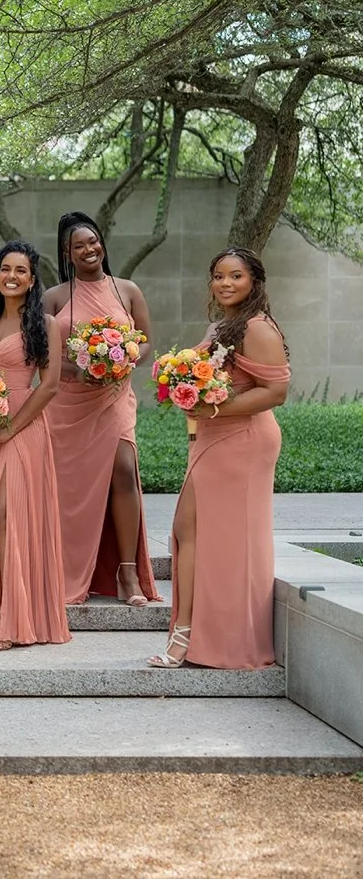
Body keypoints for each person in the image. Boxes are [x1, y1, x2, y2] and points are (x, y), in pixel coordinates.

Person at [151, 247, 290, 671]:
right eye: (218, 276)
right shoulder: (222, 325)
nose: (225, 283)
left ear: (255, 282)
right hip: (212, 436)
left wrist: (213, 408)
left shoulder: (258, 327)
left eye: (236, 276)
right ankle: (189, 634)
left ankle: (226, 642)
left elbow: (276, 392)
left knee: (233, 541)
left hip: (243, 440)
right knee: (187, 529)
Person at [43, 212, 159, 607]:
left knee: (124, 471)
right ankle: (68, 568)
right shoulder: (55, 297)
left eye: (93, 242)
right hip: (69, 406)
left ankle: (127, 572)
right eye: (79, 246)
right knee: (71, 489)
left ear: (102, 244)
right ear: (67, 253)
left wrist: (125, 359)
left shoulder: (126, 289)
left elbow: (144, 341)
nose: (89, 249)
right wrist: (79, 367)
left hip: (114, 397)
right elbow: (43, 353)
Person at [0, 240, 71, 649]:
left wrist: (11, 427)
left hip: (23, 425)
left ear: (32, 278)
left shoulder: (45, 324)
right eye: (6, 268)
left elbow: (51, 384)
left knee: (7, 515)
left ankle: (12, 613)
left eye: (20, 270)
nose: (12, 276)